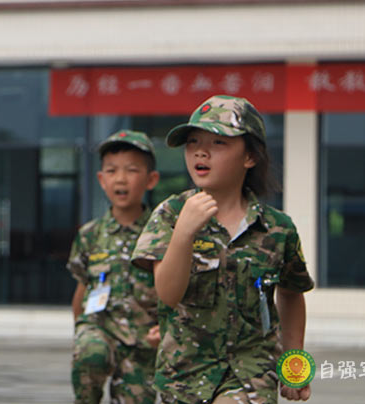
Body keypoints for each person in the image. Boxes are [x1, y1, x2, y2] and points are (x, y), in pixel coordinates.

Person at [131, 95, 314, 403]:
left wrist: (294, 366)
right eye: (193, 142)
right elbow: (168, 294)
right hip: (184, 378)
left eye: (218, 143)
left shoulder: (277, 228)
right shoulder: (171, 214)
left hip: (251, 375)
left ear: (250, 157)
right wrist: (184, 234)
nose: (200, 152)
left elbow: (291, 293)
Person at [67, 130, 161, 404]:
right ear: (102, 180)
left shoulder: (161, 233)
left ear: (151, 179)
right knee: (90, 354)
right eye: (112, 170)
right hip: (100, 330)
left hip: (143, 343)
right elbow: (81, 292)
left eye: (132, 170)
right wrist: (82, 338)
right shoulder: (90, 234)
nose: (121, 178)